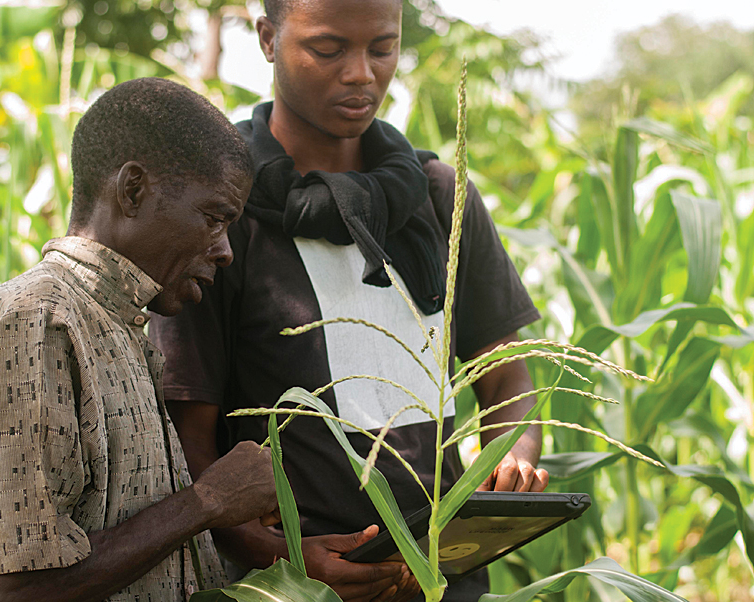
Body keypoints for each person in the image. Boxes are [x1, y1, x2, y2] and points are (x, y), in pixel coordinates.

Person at [150, 1, 549, 600]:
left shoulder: (440, 197)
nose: (362, 73)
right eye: (328, 49)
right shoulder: (221, 213)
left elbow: (506, 379)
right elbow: (189, 444)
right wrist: (284, 557)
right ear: (268, 39)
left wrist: (511, 455)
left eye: (382, 48)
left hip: (444, 582)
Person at [0, 77, 279, 602]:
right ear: (132, 190)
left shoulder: (120, 326)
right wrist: (207, 501)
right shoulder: (39, 319)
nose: (225, 250)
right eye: (213, 219)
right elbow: (10, 592)